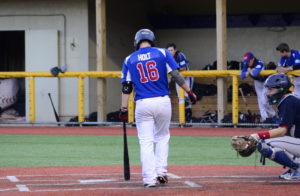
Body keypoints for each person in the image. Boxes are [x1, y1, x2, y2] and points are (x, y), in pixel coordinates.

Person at [119, 29, 197, 187]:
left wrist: (123, 108)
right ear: (152, 40)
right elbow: (176, 75)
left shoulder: (129, 59)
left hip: (142, 103)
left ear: (136, 42)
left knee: (146, 142)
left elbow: (126, 87)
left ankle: (149, 179)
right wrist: (189, 91)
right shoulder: (162, 53)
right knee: (162, 137)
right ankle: (161, 171)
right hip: (162, 101)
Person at [249, 73, 300, 180]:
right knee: (268, 140)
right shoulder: (288, 100)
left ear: (280, 89)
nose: (268, 93)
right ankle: (295, 167)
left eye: (271, 89)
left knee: (265, 143)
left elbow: (282, 131)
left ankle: (298, 168)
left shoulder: (288, 101)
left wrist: (258, 135)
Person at [240, 52, 276, 123]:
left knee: (264, 100)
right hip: (257, 82)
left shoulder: (259, 63)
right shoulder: (246, 64)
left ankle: (273, 115)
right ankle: (265, 119)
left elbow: (255, 73)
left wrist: (249, 71)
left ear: (253, 59)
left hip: (266, 81)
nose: (248, 63)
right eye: (246, 62)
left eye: (249, 61)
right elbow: (242, 76)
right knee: (260, 101)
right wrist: (249, 71)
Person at [166, 43, 194, 123]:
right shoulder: (166, 58)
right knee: (180, 99)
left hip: (186, 78)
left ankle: (189, 120)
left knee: (186, 98)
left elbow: (183, 68)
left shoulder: (180, 55)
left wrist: (173, 71)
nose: (170, 52)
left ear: (175, 50)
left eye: (171, 50)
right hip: (178, 78)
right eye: (168, 50)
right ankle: (183, 121)